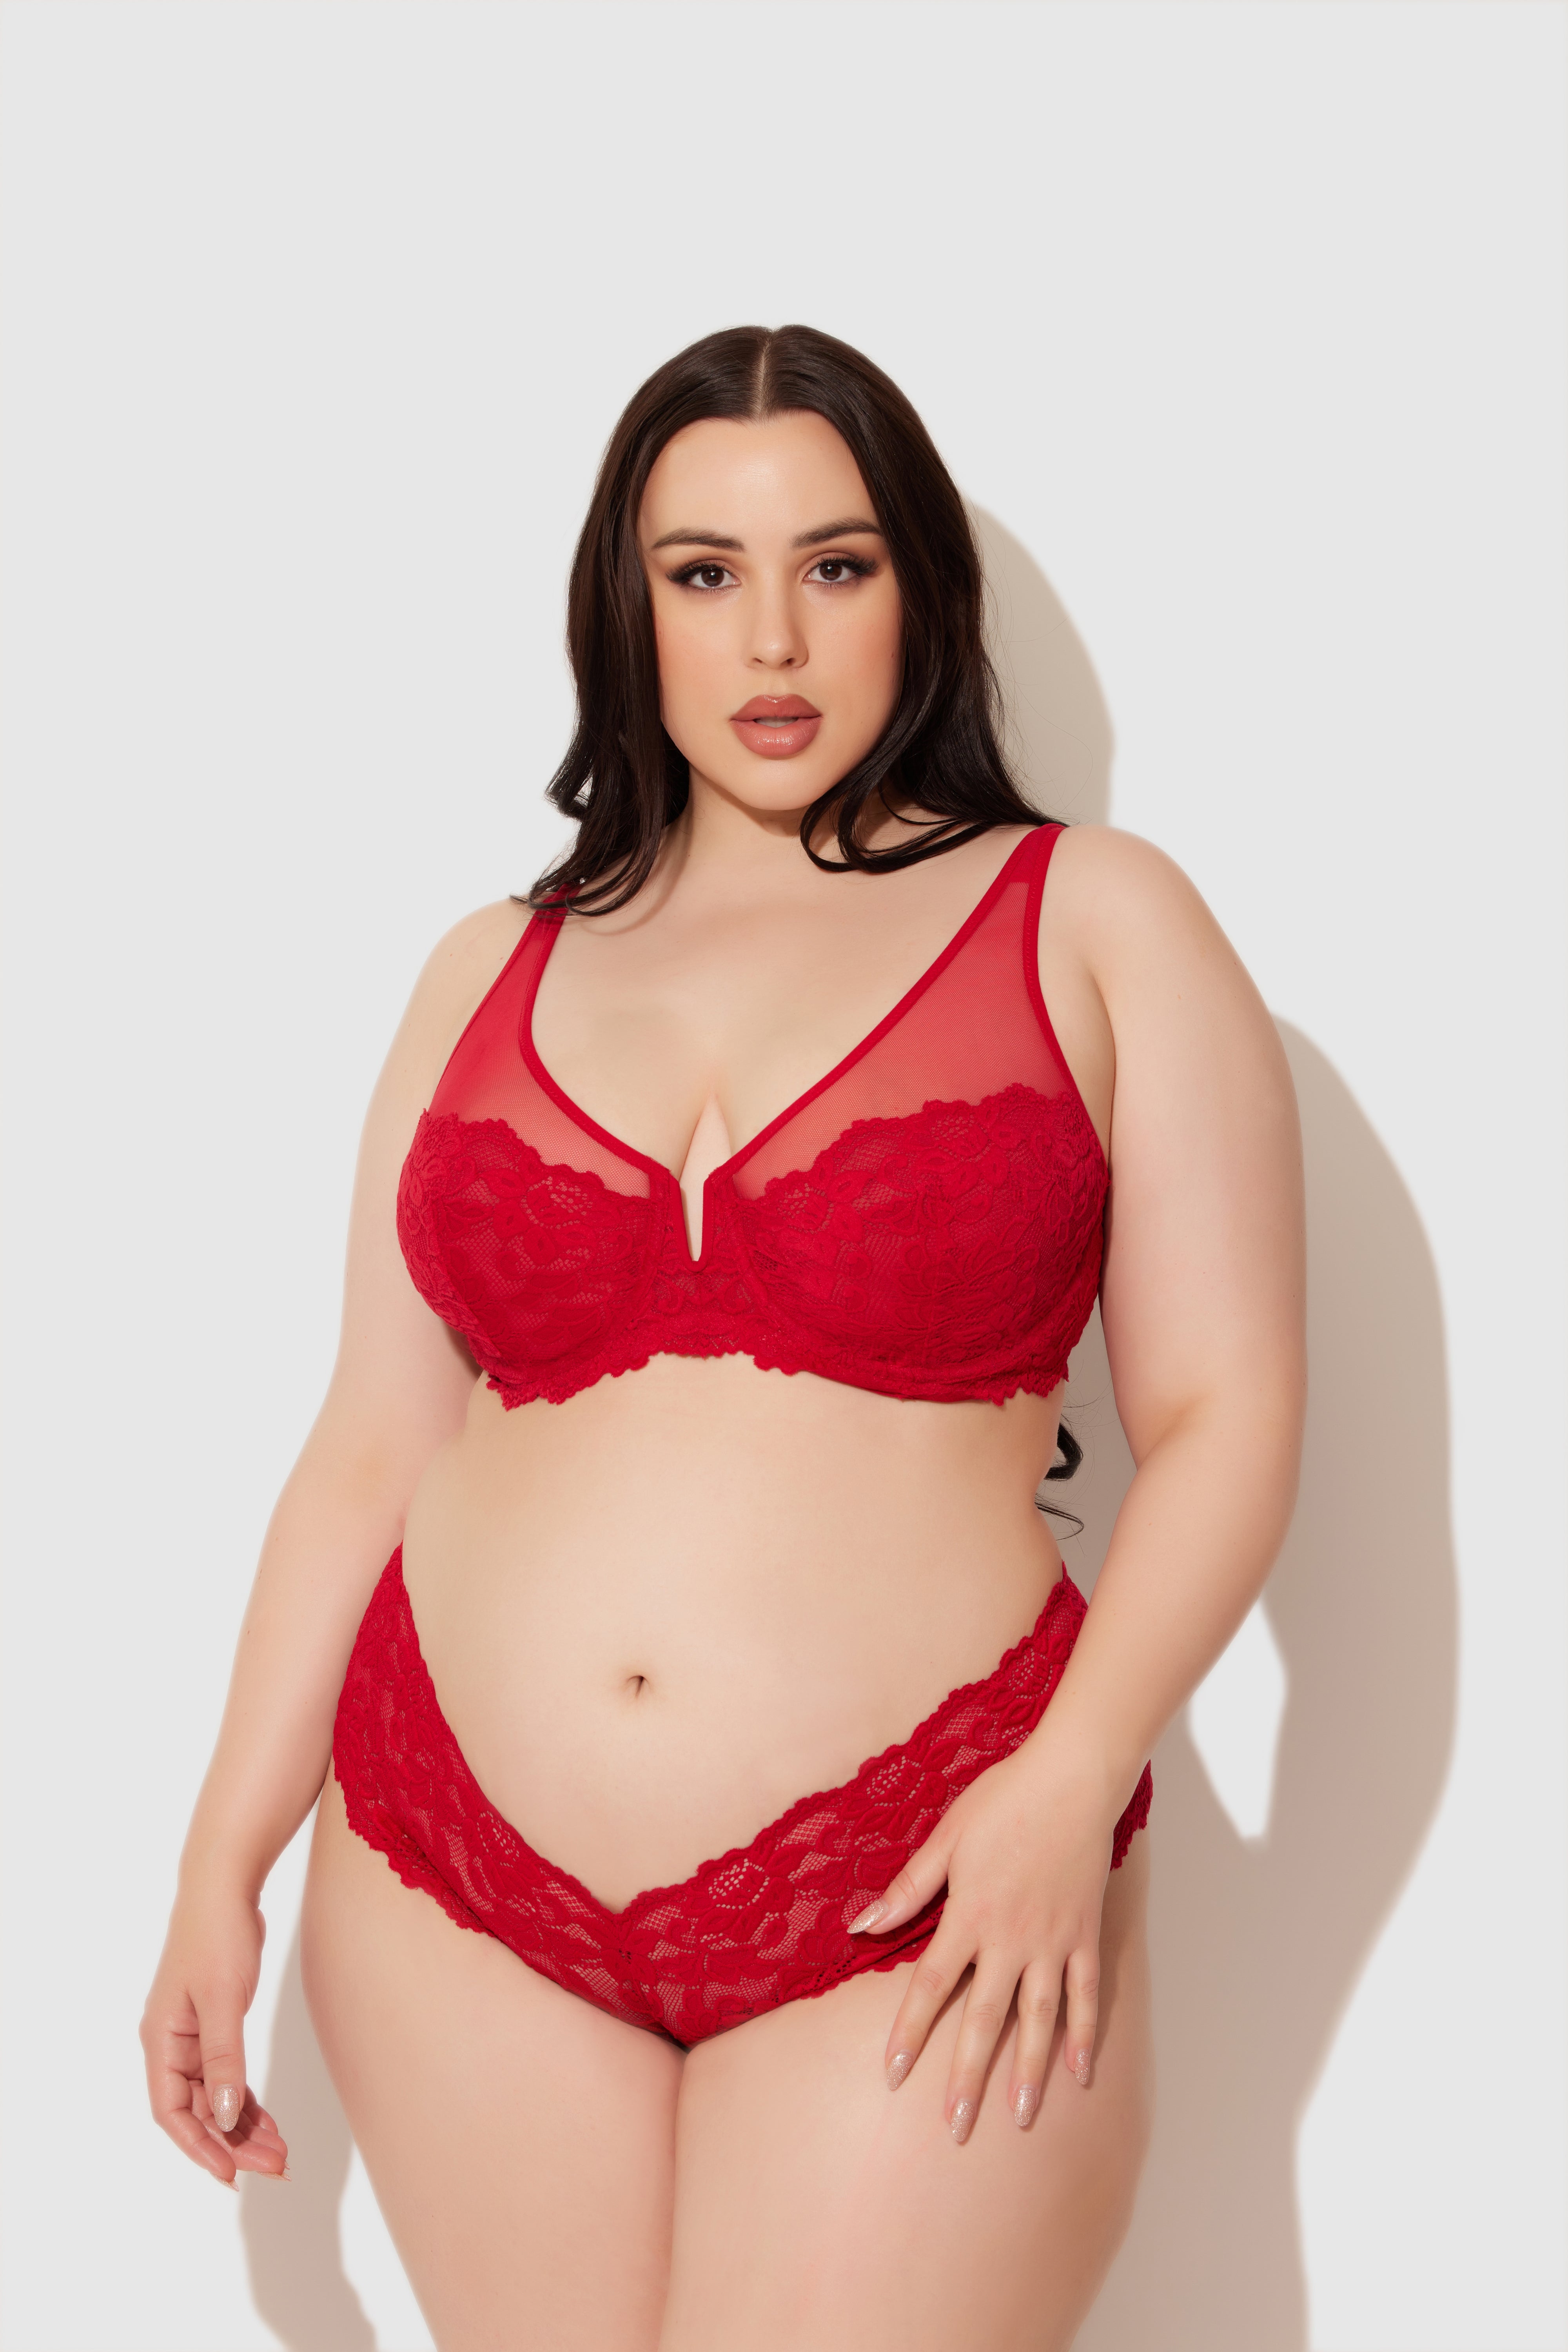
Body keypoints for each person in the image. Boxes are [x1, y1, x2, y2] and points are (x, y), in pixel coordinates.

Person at [142, 323, 1305, 2351]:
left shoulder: (1096, 916)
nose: (773, 638)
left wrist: (1075, 1775)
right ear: (631, 609)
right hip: (444, 1872)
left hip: (928, 1863)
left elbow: (1227, 1411)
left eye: (837, 565)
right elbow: (371, 1445)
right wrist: (219, 1860)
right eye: (704, 573)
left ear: (921, 592)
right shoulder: (490, 967)